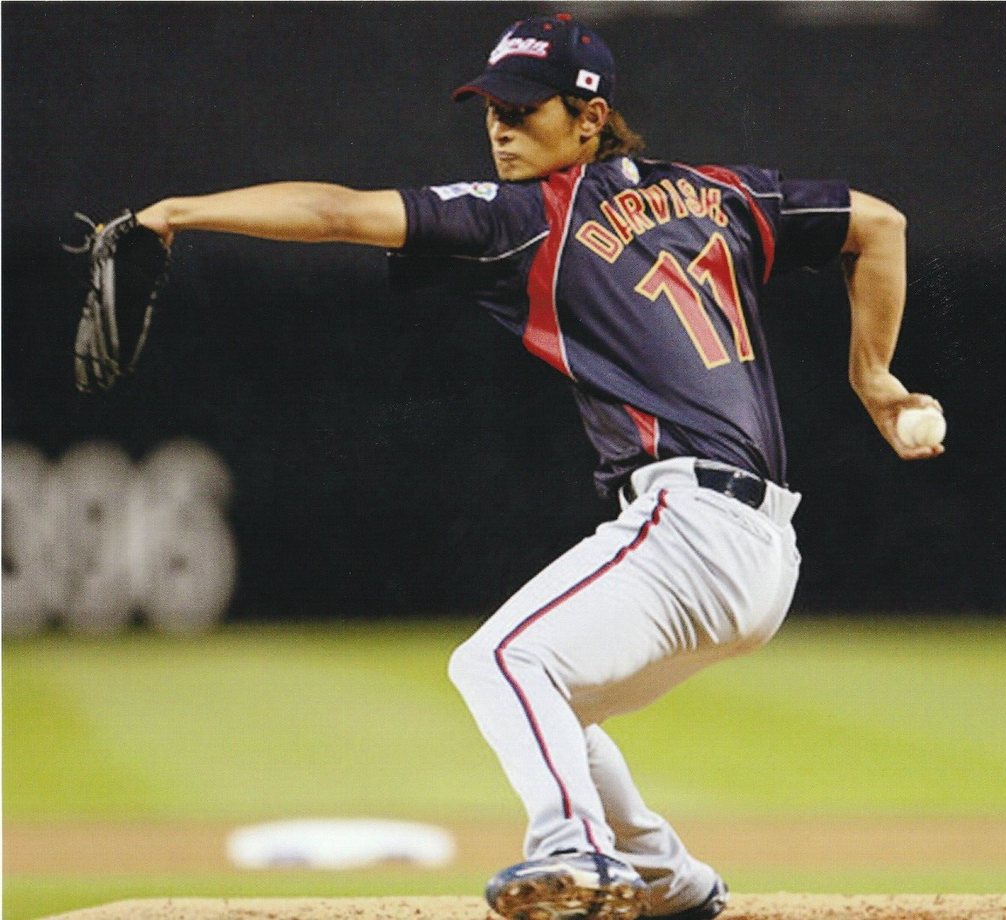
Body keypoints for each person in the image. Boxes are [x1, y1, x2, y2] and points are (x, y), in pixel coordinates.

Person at [136, 13, 943, 920]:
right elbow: (878, 223)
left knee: (502, 663)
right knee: (558, 700)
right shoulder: (721, 193)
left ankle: (577, 851)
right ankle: (669, 881)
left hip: (693, 525)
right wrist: (874, 378)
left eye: (525, 108)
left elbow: (337, 212)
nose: (500, 126)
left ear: (589, 117)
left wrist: (180, 212)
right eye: (492, 108)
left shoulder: (531, 217)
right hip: (759, 549)